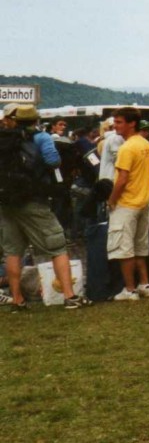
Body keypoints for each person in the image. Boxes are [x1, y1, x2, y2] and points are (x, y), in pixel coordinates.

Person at [0, 105, 91, 310]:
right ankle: (69, 296)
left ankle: (17, 300)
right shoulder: (41, 137)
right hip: (34, 200)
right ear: (36, 120)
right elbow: (53, 161)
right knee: (57, 246)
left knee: (12, 252)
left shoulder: (4, 139)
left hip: (7, 202)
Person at [106, 107, 149, 301]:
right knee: (140, 247)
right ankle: (145, 284)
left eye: (119, 122)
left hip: (126, 203)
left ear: (131, 123)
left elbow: (122, 179)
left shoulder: (126, 148)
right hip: (143, 203)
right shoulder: (146, 145)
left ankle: (129, 289)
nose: (115, 126)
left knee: (124, 248)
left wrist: (111, 200)